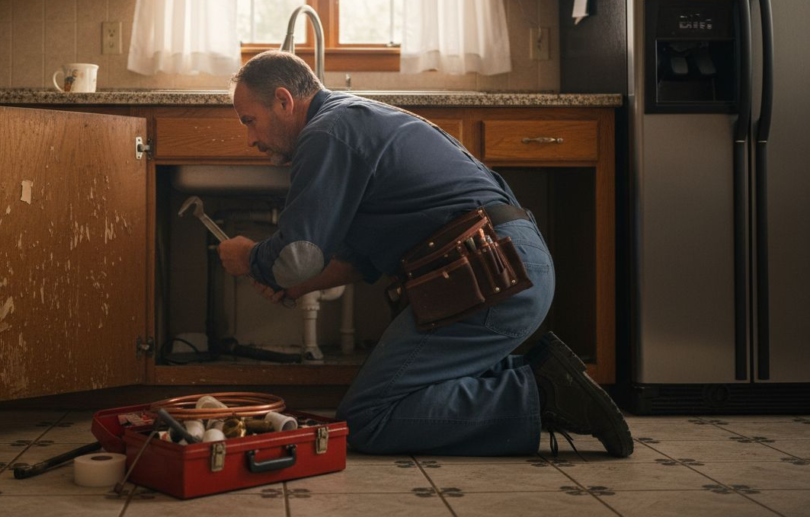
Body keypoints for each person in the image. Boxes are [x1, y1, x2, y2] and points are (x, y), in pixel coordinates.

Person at [217, 51, 633, 457]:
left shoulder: (326, 133)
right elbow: (360, 258)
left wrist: (249, 257)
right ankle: (545, 379)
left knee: (368, 417)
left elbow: (296, 257)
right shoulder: (351, 119)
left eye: (249, 121)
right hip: (506, 265)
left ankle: (543, 394)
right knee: (390, 400)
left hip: (487, 272)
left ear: (284, 100)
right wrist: (302, 286)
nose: (250, 138)